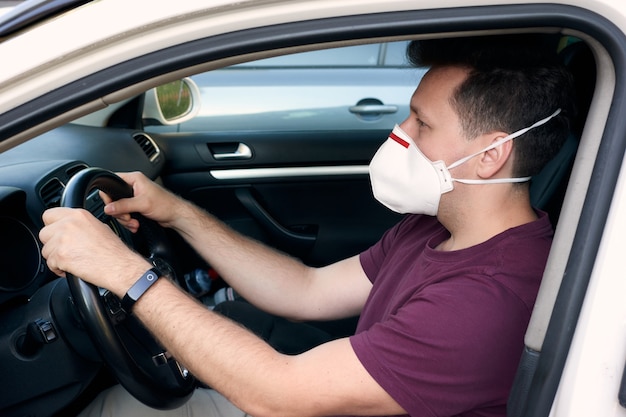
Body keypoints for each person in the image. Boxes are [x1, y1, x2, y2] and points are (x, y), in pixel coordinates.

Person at [39, 35, 575, 417]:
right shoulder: (434, 228)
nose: (398, 134)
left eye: (422, 123)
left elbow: (280, 395)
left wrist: (122, 271)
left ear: (490, 156)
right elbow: (306, 289)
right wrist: (176, 211)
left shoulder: (489, 300)